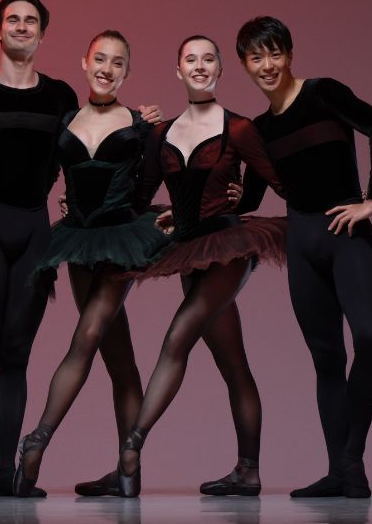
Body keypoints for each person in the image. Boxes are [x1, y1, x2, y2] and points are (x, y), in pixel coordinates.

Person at [0, 0, 162, 497]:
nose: (22, 27)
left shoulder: (61, 97)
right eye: (13, 20)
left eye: (32, 21)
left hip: (38, 227)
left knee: (18, 350)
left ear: (43, 34)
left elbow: (101, 149)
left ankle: (10, 473)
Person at [107, 35, 287, 497]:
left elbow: (276, 182)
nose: (200, 66)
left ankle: (132, 445)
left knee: (176, 337)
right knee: (233, 363)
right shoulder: (161, 133)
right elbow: (140, 195)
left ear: (220, 70)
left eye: (209, 59)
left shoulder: (240, 127)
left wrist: (246, 198)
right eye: (191, 59)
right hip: (187, 251)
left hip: (229, 247)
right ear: (179, 70)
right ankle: (248, 471)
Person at [236, 16, 372, 498]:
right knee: (327, 358)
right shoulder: (258, 131)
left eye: (274, 53)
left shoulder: (325, 93)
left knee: (368, 336)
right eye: (256, 57)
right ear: (245, 64)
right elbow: (246, 201)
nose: (267, 65)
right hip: (301, 245)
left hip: (346, 237)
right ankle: (340, 472)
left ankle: (352, 460)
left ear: (289, 53)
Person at [10, 30, 171, 497]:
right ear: (84, 62)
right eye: (99, 59)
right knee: (117, 355)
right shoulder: (64, 120)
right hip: (78, 241)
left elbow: (161, 177)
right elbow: (38, 175)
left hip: (123, 239)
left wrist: (170, 211)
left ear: (127, 72)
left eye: (117, 62)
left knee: (86, 337)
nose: (107, 68)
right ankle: (128, 471)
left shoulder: (142, 124)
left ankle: (36, 441)